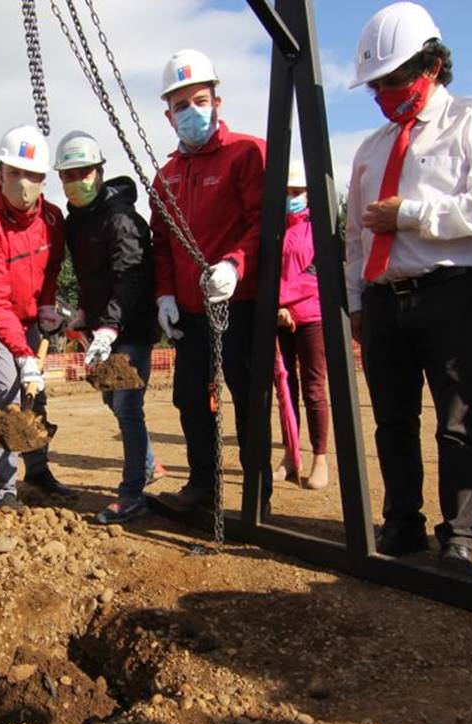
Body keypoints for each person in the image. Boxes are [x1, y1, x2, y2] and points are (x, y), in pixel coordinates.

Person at [345, 2, 472, 577]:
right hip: (383, 299)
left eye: (395, 80)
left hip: (449, 291)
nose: (385, 94)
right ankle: (402, 522)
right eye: (377, 85)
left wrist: (415, 214)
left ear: (433, 65)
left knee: (459, 419)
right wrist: (354, 302)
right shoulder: (371, 148)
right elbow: (353, 234)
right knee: (393, 419)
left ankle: (462, 535)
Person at [150, 49, 270, 515]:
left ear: (217, 101)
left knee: (247, 395)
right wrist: (164, 294)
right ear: (168, 115)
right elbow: (161, 243)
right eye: (181, 106)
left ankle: (257, 498)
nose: (192, 111)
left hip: (240, 302)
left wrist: (236, 264)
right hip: (191, 311)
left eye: (200, 99)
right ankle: (203, 487)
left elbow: (263, 223)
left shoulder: (247, 153)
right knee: (190, 398)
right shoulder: (166, 178)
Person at [0, 125, 72, 509]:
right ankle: (5, 490)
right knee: (8, 395)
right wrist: (23, 355)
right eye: (16, 173)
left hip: (29, 316)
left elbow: (52, 267)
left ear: (44, 179)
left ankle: (38, 471)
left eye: (34, 175)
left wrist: (47, 305)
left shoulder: (53, 220)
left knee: (34, 394)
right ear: (0, 172)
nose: (24, 182)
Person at [54, 130, 163, 524]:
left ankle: (132, 494)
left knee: (127, 406)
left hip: (130, 328)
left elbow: (130, 276)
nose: (76, 180)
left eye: (84, 171)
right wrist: (84, 313)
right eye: (68, 174)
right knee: (110, 399)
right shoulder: (77, 221)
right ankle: (148, 463)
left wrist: (110, 327)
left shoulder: (121, 219)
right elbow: (91, 278)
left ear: (100, 171)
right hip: (103, 327)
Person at [275, 161, 329, 490]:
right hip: (278, 316)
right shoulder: (274, 227)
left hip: (311, 317)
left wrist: (287, 302)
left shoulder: (319, 227)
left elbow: (316, 272)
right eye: (286, 192)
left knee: (313, 388)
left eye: (296, 192)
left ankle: (319, 457)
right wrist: (277, 306)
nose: (291, 197)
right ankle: (289, 454)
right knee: (284, 390)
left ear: (308, 194)